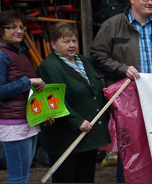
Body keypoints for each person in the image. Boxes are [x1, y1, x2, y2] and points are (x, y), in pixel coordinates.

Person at [89, 0, 152, 182]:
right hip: (128, 100)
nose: (150, 2)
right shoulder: (113, 25)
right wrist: (122, 69)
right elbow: (97, 54)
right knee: (130, 147)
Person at [35, 22, 111, 183]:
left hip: (88, 133)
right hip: (65, 136)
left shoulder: (84, 61)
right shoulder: (49, 67)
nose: (72, 45)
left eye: (74, 41)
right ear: (54, 45)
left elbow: (94, 90)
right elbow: (54, 101)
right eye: (66, 41)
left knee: (86, 177)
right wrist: (76, 121)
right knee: (67, 178)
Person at [0, 10, 49, 183]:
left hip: (26, 119)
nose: (19, 31)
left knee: (23, 176)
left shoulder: (14, 51)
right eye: (12, 27)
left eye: (21, 27)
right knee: (18, 179)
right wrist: (28, 81)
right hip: (14, 125)